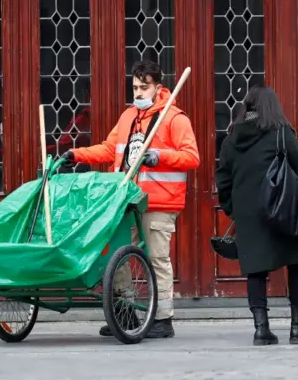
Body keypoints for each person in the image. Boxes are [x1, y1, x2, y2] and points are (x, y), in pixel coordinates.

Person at [61, 60, 200, 339]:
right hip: (125, 200)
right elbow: (109, 149)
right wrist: (77, 155)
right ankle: (124, 313)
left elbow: (192, 157)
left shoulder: (174, 118)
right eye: (135, 87)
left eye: (143, 87)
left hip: (159, 201)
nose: (138, 93)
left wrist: (160, 156)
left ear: (157, 88)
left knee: (157, 258)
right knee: (117, 255)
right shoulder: (128, 117)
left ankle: (163, 319)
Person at [214, 85, 298, 346]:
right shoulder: (281, 133)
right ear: (273, 106)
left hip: (248, 213)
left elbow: (222, 179)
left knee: (255, 270)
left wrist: (232, 208)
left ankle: (261, 330)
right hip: (285, 210)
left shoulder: (232, 138)